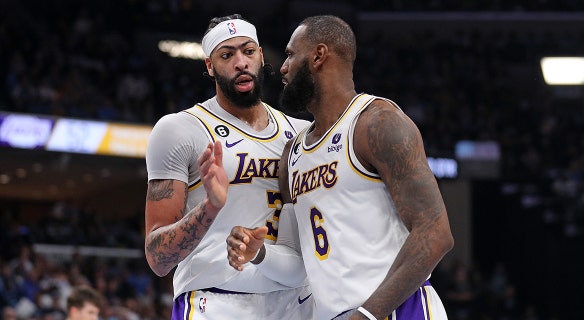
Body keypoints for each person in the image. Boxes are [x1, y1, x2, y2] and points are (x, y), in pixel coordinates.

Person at [227, 15, 454, 320]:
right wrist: (260, 253)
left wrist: (367, 314)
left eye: (292, 55)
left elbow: (436, 233)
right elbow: (296, 261)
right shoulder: (291, 155)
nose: (282, 67)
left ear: (319, 56)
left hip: (397, 311)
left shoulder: (376, 123)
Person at [144, 14, 314, 320]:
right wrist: (211, 207)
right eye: (227, 55)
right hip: (216, 303)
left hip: (295, 302)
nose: (240, 63)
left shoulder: (302, 133)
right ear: (209, 65)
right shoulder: (180, 129)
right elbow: (158, 258)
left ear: (261, 56)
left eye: (248, 51)